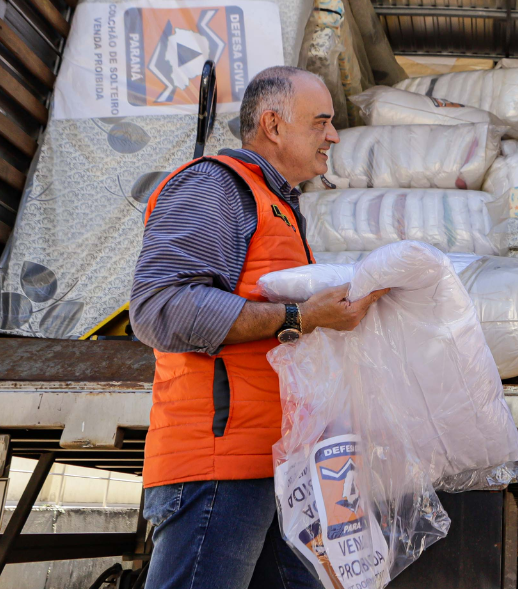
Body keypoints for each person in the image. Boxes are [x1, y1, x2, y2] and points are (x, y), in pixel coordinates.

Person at [130, 66, 387, 589]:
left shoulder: (279, 206)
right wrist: (302, 317)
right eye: (321, 122)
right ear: (273, 124)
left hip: (272, 466)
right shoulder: (214, 186)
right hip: (217, 468)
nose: (333, 136)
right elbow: (160, 307)